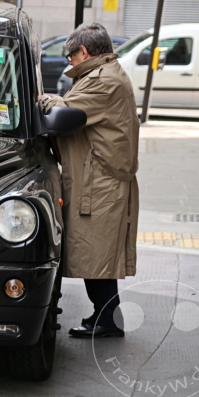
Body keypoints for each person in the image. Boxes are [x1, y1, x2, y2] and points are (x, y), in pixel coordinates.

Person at [39, 22, 140, 339]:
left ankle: (107, 319)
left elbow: (66, 110)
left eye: (70, 56)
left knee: (94, 251)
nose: (68, 62)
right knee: (95, 251)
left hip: (100, 182)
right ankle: (105, 316)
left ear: (83, 52)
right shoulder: (103, 75)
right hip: (96, 177)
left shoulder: (104, 81)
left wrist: (44, 99)